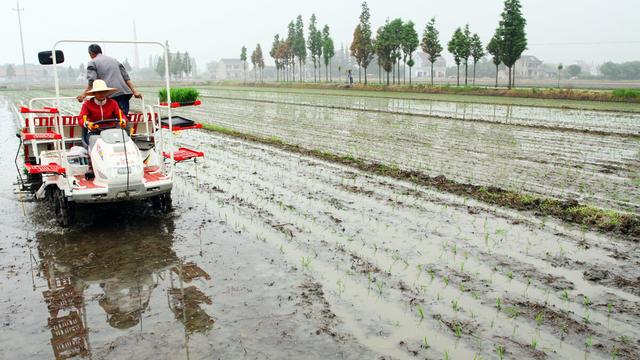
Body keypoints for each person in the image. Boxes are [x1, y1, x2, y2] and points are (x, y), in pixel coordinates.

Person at [76, 44, 142, 115]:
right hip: (123, 95)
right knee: (122, 119)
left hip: (108, 96)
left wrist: (83, 95)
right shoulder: (114, 60)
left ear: (91, 53)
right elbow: (126, 77)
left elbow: (92, 81)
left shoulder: (92, 62)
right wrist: (134, 92)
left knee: (110, 121)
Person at [78, 80, 127, 146]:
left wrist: (123, 121)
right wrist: (87, 123)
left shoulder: (113, 103)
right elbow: (81, 119)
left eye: (104, 92)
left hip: (111, 130)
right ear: (94, 93)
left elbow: (121, 115)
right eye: (99, 92)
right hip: (95, 132)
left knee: (121, 143)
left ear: (106, 92)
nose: (102, 94)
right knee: (97, 145)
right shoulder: (87, 104)